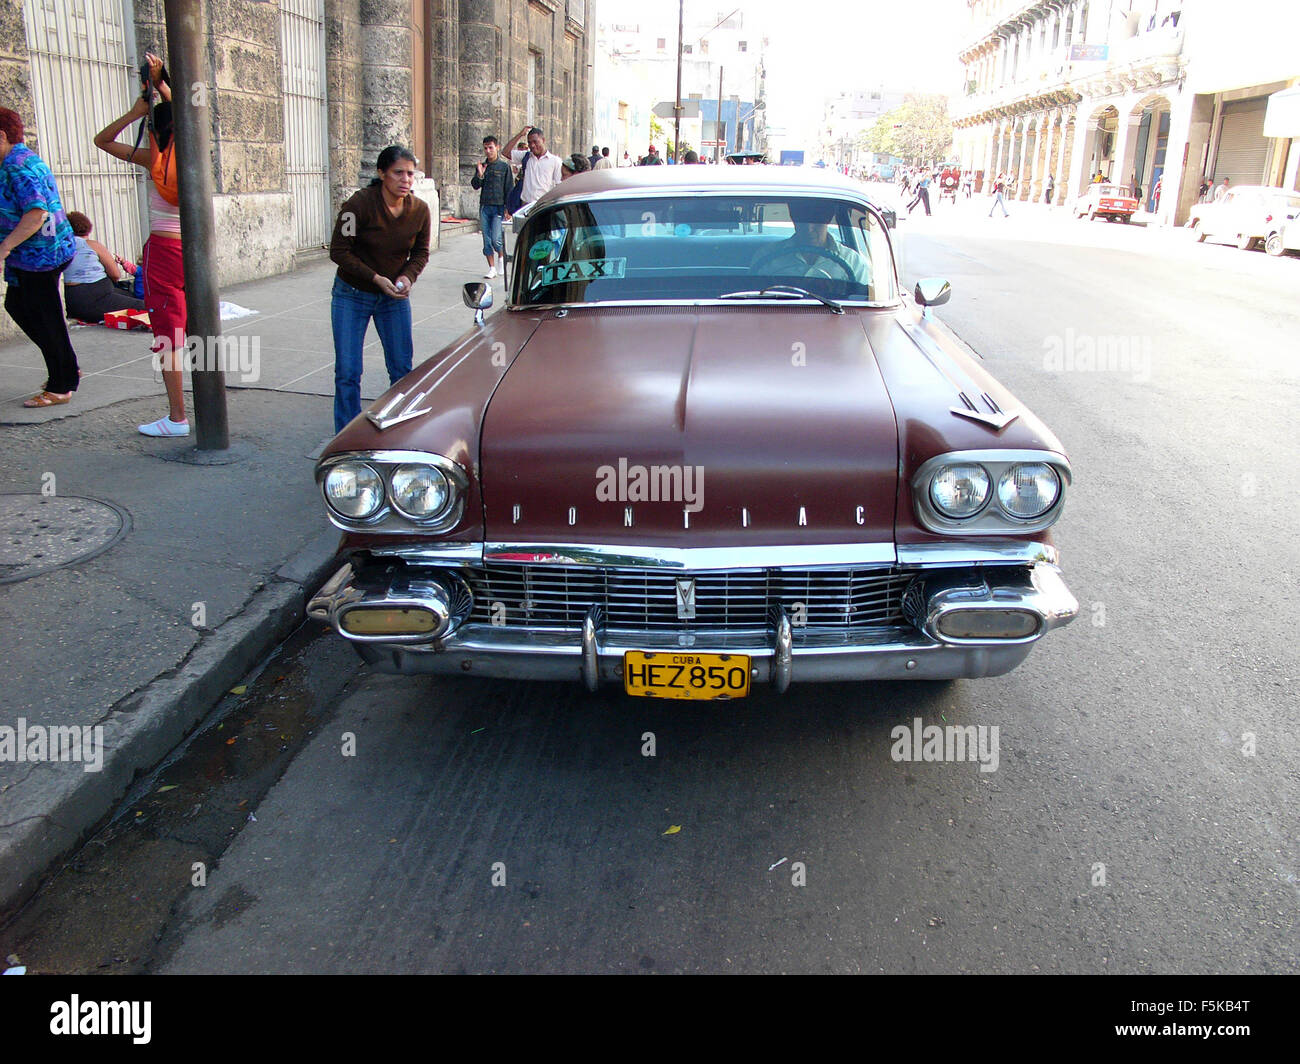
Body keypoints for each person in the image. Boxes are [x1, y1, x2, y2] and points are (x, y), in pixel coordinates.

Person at [94, 51, 193, 435]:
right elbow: (183, 118)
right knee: (189, 330)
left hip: (163, 251)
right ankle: (193, 408)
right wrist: (164, 89)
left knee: (169, 336)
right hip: (194, 252)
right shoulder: (191, 155)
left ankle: (177, 417)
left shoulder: (153, 157)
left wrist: (139, 111)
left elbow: (101, 140)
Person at [328, 145, 431, 433]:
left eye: (411, 174)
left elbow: (421, 254)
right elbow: (339, 251)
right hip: (352, 294)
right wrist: (375, 278)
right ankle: (345, 436)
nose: (405, 179)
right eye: (398, 172)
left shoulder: (420, 211)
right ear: (381, 173)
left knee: (401, 369)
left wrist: (408, 277)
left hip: (393, 298)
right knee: (348, 371)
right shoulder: (358, 205)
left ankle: (400, 431)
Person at [0, 106, 80, 408]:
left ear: (2, 136)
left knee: (46, 319)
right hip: (40, 254)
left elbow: (36, 213)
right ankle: (66, 368)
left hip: (40, 256)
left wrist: (4, 247)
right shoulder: (18, 158)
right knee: (18, 305)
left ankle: (61, 385)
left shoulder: (17, 166)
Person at [62, 211, 145, 322]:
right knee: (142, 305)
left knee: (126, 296)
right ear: (87, 229)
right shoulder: (92, 245)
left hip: (70, 298)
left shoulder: (60, 247)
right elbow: (115, 275)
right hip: (96, 295)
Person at [471, 135, 513, 278]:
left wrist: (509, 209)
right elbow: (475, 185)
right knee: (486, 240)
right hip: (485, 206)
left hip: (498, 207)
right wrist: (480, 174)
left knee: (496, 238)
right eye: (485, 148)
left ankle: (502, 258)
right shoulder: (482, 166)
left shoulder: (504, 167)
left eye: (491, 148)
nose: (488, 151)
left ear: (497, 147)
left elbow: (509, 188)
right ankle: (492, 267)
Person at [507, 125, 563, 212]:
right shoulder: (526, 156)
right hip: (525, 206)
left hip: (544, 206)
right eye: (529, 143)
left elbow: (559, 186)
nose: (532, 145)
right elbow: (505, 152)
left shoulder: (555, 161)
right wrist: (520, 135)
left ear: (543, 140)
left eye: (535, 142)